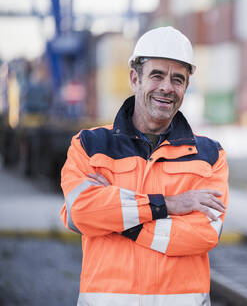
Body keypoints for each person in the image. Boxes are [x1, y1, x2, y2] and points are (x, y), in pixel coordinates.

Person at [60, 26, 229, 306]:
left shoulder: (210, 155)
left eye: (178, 79)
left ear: (186, 87)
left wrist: (116, 222)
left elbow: (204, 233)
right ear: (134, 78)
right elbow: (81, 213)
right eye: (157, 75)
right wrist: (169, 205)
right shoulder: (89, 146)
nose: (166, 87)